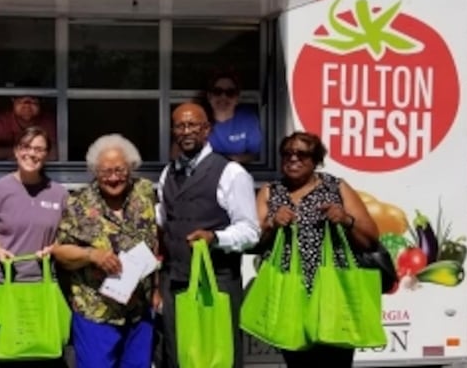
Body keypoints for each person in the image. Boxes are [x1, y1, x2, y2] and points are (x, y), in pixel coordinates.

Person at [256, 131, 379, 367]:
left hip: (333, 293)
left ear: (316, 160)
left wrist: (345, 219)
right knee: (297, 362)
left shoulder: (337, 187)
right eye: (288, 153)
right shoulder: (270, 191)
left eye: (302, 154)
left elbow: (371, 237)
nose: (293, 159)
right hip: (288, 293)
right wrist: (271, 223)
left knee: (335, 361)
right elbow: (253, 242)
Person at [157, 102, 260, 368]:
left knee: (217, 357)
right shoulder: (168, 172)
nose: (186, 131)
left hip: (216, 283)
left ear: (207, 130)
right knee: (178, 356)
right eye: (180, 125)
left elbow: (250, 231)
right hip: (175, 282)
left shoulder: (231, 173)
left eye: (193, 125)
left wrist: (216, 238)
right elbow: (164, 218)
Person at [52, 134, 159, 368]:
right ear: (94, 172)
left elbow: (157, 240)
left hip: (139, 313)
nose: (113, 178)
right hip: (96, 315)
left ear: (131, 167)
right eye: (105, 172)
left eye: (119, 170)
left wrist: (157, 288)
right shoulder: (78, 203)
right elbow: (59, 252)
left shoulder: (145, 192)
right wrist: (91, 255)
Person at [0, 126, 69, 367]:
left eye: (39, 149)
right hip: (4, 284)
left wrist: (53, 249)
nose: (32, 154)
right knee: (9, 354)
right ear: (17, 151)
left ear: (47, 154)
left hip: (42, 285)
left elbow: (67, 236)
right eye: (26, 147)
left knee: (45, 354)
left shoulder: (59, 194)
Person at [0, 79, 58, 162]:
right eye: (21, 99)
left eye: (33, 100)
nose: (27, 105)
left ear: (41, 101)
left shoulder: (47, 121)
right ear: (13, 100)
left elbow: (55, 153)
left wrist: (17, 155)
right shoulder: (1, 122)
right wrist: (16, 152)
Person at [205, 70, 263, 163]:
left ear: (237, 98)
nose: (223, 97)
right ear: (209, 96)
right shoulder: (199, 120)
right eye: (217, 91)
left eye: (230, 92)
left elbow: (254, 154)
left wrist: (227, 162)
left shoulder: (248, 118)